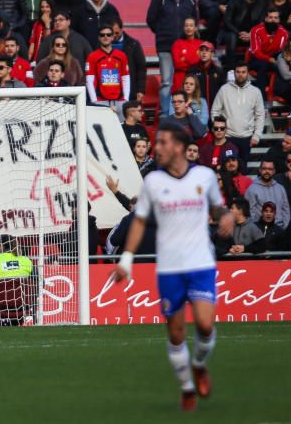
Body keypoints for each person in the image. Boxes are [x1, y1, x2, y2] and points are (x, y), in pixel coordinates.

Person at [114, 122, 231, 411]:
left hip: (201, 263)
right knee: (176, 333)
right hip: (169, 268)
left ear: (179, 146)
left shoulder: (204, 176)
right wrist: (126, 259)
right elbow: (139, 220)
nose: (158, 148)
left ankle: (200, 364)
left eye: (163, 142)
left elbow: (218, 207)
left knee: (205, 325)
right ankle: (187, 387)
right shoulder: (153, 182)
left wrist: (225, 215)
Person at [147, 0, 199, 115]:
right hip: (165, 46)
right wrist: (162, 32)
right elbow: (151, 19)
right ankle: (165, 112)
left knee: (186, 81)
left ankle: (188, 110)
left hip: (185, 46)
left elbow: (195, 19)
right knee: (166, 81)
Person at [211, 62, 265, 166]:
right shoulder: (224, 89)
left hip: (247, 138)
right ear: (234, 73)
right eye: (238, 72)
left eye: (243, 72)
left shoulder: (255, 92)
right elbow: (215, 111)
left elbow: (260, 115)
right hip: (228, 137)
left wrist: (256, 136)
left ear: (248, 73)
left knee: (243, 170)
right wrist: (219, 130)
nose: (240, 74)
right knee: (226, 169)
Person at [221, 0, 266, 68]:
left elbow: (262, 23)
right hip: (234, 32)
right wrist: (239, 33)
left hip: (251, 34)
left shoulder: (262, 3)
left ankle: (253, 69)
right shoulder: (235, 0)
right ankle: (230, 70)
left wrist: (251, 34)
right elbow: (227, 21)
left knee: (263, 36)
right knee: (232, 37)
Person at [85, 25, 129, 113]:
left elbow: (126, 78)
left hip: (119, 100)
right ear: (98, 37)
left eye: (108, 35)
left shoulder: (122, 56)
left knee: (120, 126)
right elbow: (89, 81)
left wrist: (126, 98)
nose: (105, 37)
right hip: (100, 101)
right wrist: (94, 100)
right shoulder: (92, 57)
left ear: (113, 37)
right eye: (102, 35)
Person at [244, 159, 291, 229]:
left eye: (270, 169)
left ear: (274, 171)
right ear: (260, 170)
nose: (267, 171)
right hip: (260, 230)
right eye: (264, 169)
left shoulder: (280, 188)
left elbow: (286, 210)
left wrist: (284, 228)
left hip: (279, 229)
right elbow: (250, 212)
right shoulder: (252, 189)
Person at [110, 19, 147, 100]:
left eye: (117, 33)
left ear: (121, 29)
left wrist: (141, 90)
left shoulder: (133, 44)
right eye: (112, 33)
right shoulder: (101, 45)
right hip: (109, 88)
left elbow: (141, 68)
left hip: (130, 89)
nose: (114, 36)